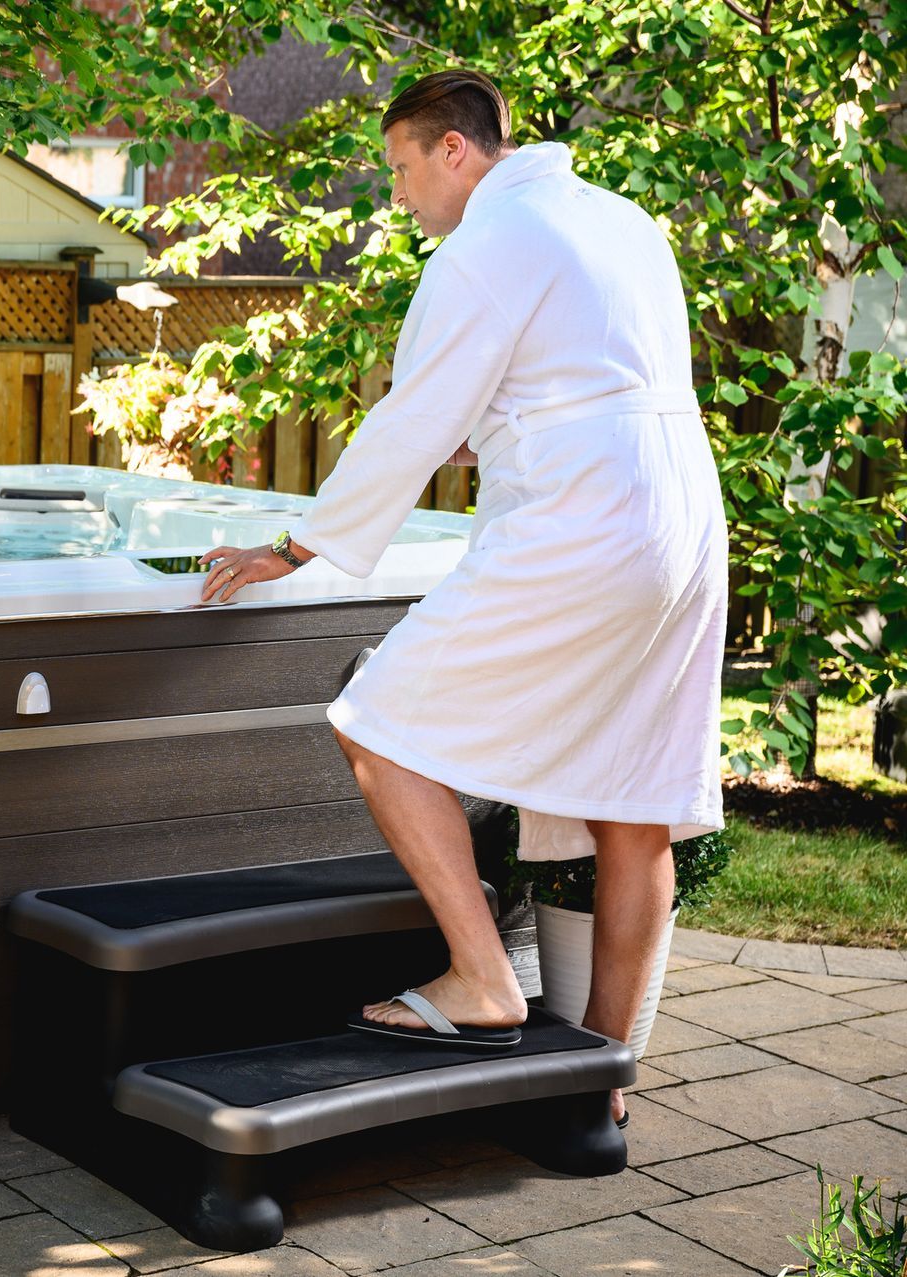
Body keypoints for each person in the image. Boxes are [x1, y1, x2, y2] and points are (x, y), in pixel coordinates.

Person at [198, 69, 725, 1129]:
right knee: (636, 808)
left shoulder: (489, 241)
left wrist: (294, 547)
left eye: (401, 168)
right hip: (683, 523)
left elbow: (415, 418)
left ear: (455, 149)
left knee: (378, 718)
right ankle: (602, 1077)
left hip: (583, 524)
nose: (398, 195)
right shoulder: (620, 220)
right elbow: (595, 384)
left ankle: (482, 977)